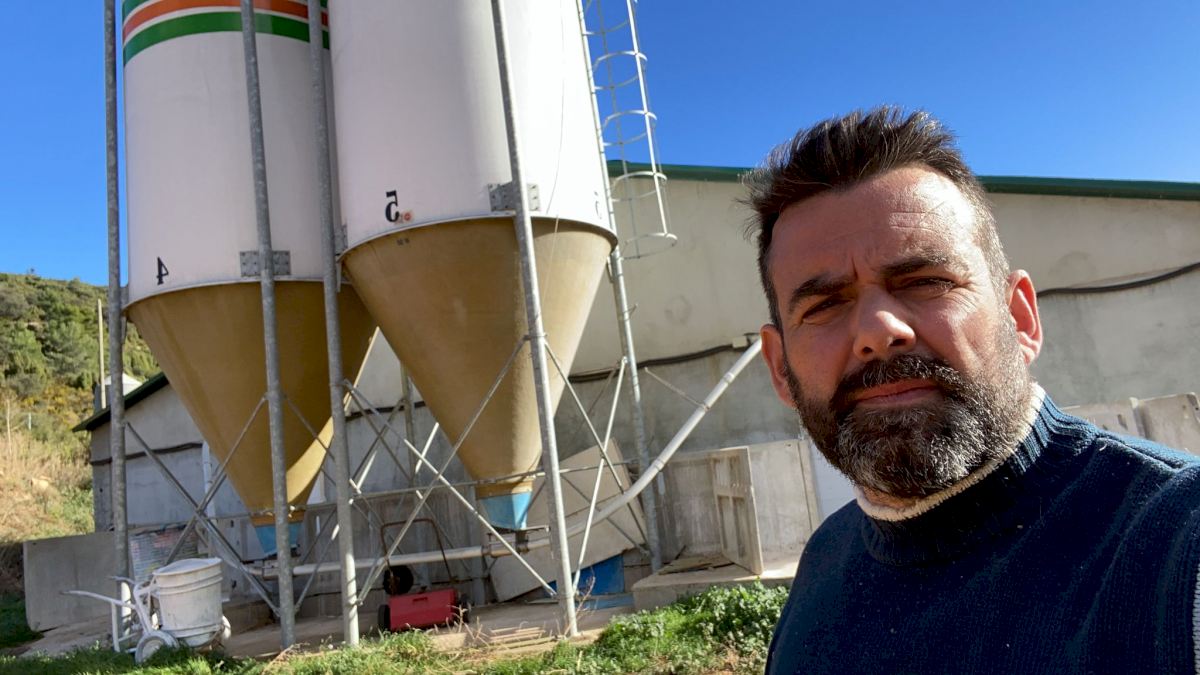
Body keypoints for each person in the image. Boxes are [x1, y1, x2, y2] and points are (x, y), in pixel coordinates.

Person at [745, 106, 1200, 674]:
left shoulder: (1180, 550)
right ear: (780, 368)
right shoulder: (823, 561)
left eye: (926, 281)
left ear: (1020, 318)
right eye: (823, 306)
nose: (879, 332)